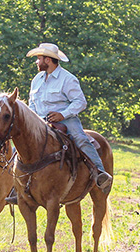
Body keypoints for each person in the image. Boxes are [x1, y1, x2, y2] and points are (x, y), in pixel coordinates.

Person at [26, 43, 112, 194]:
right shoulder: (36, 79)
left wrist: (62, 114)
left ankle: (100, 173)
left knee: (81, 139)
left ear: (47, 60)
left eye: (38, 58)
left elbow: (80, 102)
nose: (36, 62)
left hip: (65, 119)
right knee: (20, 146)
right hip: (40, 121)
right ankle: (17, 185)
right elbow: (32, 104)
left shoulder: (67, 79)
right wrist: (33, 120)